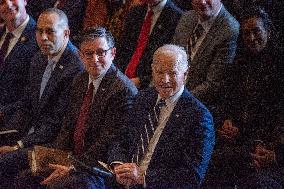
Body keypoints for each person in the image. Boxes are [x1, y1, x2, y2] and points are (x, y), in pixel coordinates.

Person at [15, 26, 138, 189]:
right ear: (80, 56)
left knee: (63, 185)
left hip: (97, 167)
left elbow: (106, 143)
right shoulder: (80, 80)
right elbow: (68, 126)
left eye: (101, 52)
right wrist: (56, 159)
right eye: (88, 53)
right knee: (24, 176)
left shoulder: (123, 90)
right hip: (72, 157)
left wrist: (72, 168)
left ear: (113, 53)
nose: (95, 59)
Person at [108, 44, 215, 188]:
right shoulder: (142, 98)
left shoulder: (199, 116)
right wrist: (119, 165)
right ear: (152, 71)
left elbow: (192, 175)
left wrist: (143, 177)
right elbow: (121, 139)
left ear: (185, 74)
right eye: (159, 72)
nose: (165, 80)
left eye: (172, 73)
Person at [0, 8, 83, 188]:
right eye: (39, 31)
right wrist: (9, 134)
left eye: (50, 31)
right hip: (31, 135)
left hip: (53, 144)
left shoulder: (75, 68)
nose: (43, 37)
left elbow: (55, 123)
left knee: (4, 162)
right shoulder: (39, 59)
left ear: (66, 33)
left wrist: (18, 146)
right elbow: (27, 106)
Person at [207, 6, 283, 188]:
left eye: (256, 31)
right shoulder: (239, 65)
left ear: (269, 31)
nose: (251, 38)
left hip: (268, 145)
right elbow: (226, 101)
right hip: (240, 139)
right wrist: (226, 122)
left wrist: (273, 154)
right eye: (246, 33)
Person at [172, 0, 239, 126]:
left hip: (196, 107)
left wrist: (176, 101)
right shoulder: (187, 17)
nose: (202, 2)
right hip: (171, 92)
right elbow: (170, 60)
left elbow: (213, 85)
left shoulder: (229, 29)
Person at [115, 0, 183, 89]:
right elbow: (122, 49)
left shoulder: (177, 18)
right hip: (120, 78)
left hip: (148, 86)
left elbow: (170, 64)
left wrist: (142, 81)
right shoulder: (135, 12)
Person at [0, 0, 38, 113]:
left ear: (25, 1)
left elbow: (33, 95)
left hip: (14, 120)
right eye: (1, 2)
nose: (8, 4)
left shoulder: (40, 39)